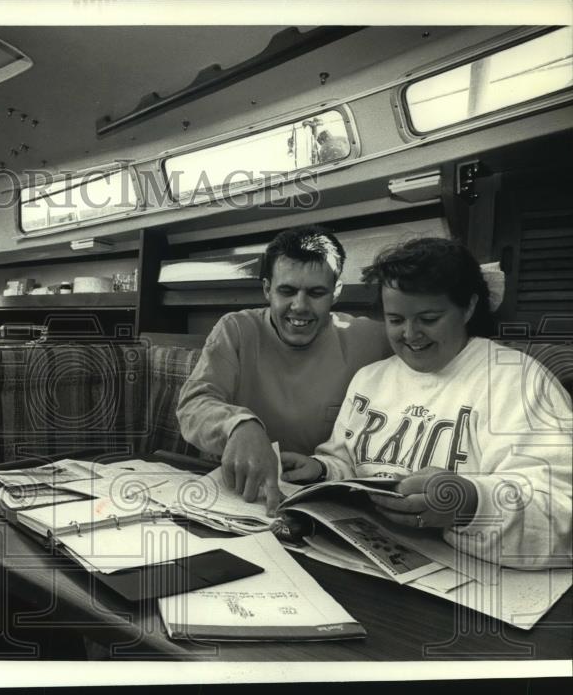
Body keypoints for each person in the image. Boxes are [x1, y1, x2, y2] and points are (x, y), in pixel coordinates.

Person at [282, 238, 572, 568]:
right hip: (366, 564)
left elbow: (562, 513)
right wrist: (321, 470)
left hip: (472, 587)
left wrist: (469, 505)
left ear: (468, 307)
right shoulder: (369, 379)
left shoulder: (518, 381)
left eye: (429, 319)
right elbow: (348, 463)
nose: (410, 334)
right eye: (395, 320)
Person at [177, 225, 391, 515]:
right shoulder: (236, 329)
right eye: (287, 291)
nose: (300, 306)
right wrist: (237, 425)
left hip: (331, 503)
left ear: (336, 291)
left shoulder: (371, 338)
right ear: (267, 288)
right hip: (246, 500)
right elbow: (193, 404)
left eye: (316, 292)